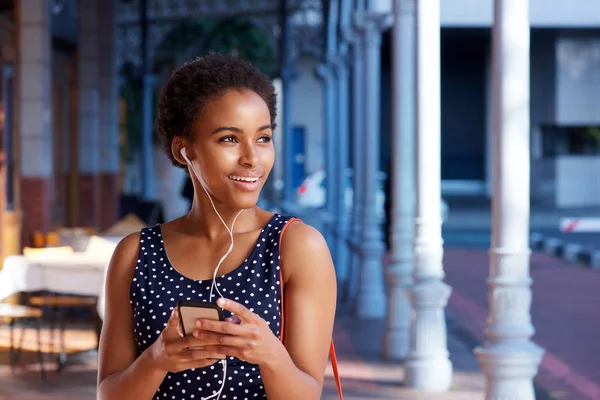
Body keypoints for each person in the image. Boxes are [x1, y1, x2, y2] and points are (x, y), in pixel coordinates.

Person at [97, 53, 337, 400]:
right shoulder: (135, 254)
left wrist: (268, 354)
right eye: (229, 139)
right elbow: (108, 394)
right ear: (184, 150)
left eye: (263, 138)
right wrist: (156, 360)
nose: (252, 158)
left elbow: (307, 394)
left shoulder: (296, 247)